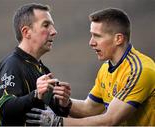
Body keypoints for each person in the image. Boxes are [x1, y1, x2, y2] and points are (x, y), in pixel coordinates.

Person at [26, 8, 155, 126]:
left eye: (97, 36)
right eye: (91, 35)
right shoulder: (106, 68)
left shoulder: (140, 70)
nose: (91, 42)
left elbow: (110, 120)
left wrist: (57, 122)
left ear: (118, 39)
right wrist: (65, 102)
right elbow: (89, 108)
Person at [0, 3, 72, 126]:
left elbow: (48, 118)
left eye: (52, 26)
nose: (54, 31)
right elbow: (5, 109)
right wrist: (35, 95)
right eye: (46, 25)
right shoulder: (12, 65)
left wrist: (63, 105)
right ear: (26, 32)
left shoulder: (43, 69)